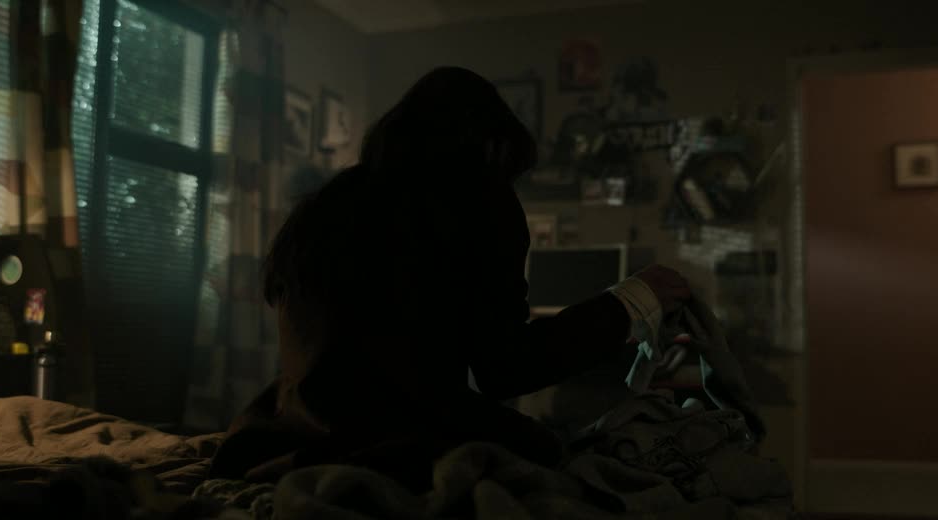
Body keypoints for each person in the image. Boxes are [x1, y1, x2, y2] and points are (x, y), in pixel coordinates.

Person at [208, 67, 692, 492]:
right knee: (549, 446)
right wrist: (631, 300)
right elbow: (507, 369)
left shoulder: (327, 204)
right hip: (394, 440)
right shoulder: (478, 200)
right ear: (490, 147)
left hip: (279, 433)